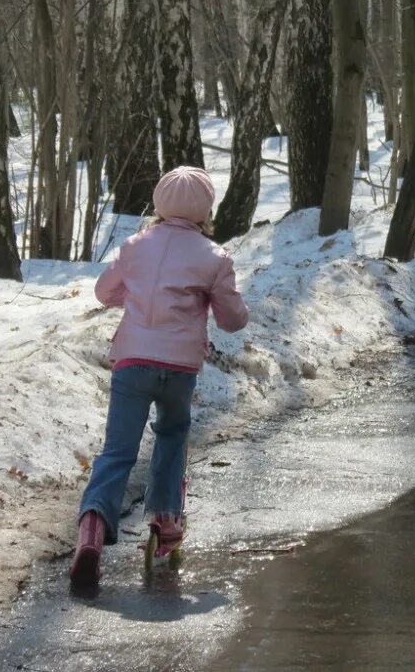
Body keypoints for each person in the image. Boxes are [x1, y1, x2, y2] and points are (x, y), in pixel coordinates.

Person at [70, 166, 248, 588]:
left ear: (159, 202)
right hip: (178, 368)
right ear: (206, 209)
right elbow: (232, 320)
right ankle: (166, 523)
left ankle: (92, 531)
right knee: (171, 436)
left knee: (117, 451)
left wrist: (133, 295)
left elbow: (105, 292)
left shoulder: (135, 245)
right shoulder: (213, 257)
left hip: (132, 362)